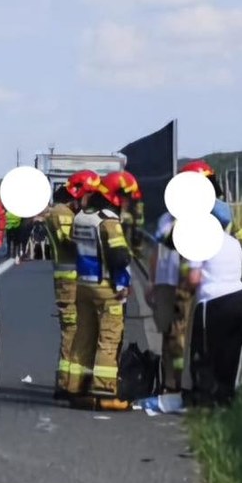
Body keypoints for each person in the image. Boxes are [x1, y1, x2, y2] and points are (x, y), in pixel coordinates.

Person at [68, 174, 133, 411]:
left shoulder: (81, 217)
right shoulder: (109, 221)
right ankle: (105, 393)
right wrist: (123, 283)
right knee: (108, 339)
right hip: (106, 287)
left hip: (83, 284)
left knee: (83, 337)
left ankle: (76, 389)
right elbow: (118, 258)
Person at [183, 200, 242, 408]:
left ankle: (206, 398)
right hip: (239, 300)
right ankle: (226, 398)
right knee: (231, 352)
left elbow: (194, 278)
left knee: (206, 351)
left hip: (213, 303)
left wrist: (186, 286)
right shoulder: (234, 243)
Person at [44, 176, 82, 400]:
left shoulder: (61, 212)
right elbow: (70, 242)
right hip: (69, 280)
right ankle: (65, 383)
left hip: (69, 279)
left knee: (73, 330)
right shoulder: (62, 213)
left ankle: (69, 382)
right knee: (72, 330)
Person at [149, 209, 187, 392]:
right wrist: (151, 281)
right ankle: (168, 383)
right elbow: (156, 251)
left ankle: (182, 382)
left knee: (179, 335)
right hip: (163, 283)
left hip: (183, 284)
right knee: (166, 333)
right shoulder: (164, 219)